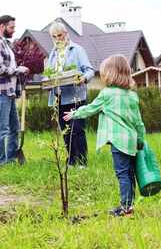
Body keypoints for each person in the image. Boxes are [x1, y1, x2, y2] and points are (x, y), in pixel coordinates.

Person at [63, 55, 146, 217]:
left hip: (118, 141)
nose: (102, 77)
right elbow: (139, 122)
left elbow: (91, 108)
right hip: (131, 141)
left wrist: (75, 113)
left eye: (104, 73)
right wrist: (141, 140)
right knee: (129, 173)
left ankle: (125, 208)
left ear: (111, 75)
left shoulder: (107, 94)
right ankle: (129, 205)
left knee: (122, 173)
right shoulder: (132, 96)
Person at [46, 21, 95, 167]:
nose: (57, 39)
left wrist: (83, 78)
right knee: (66, 132)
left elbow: (90, 71)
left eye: (59, 35)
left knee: (77, 130)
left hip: (75, 97)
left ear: (66, 34)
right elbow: (49, 74)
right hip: (59, 98)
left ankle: (82, 162)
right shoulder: (53, 54)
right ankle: (71, 161)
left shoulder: (77, 50)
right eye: (54, 37)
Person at [0, 15, 29, 167]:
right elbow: (1, 69)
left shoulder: (5, 44)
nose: (13, 30)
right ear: (2, 27)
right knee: (1, 130)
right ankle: (1, 163)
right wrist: (18, 69)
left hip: (9, 93)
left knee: (14, 128)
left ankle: (10, 159)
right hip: (0, 92)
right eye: (11, 27)